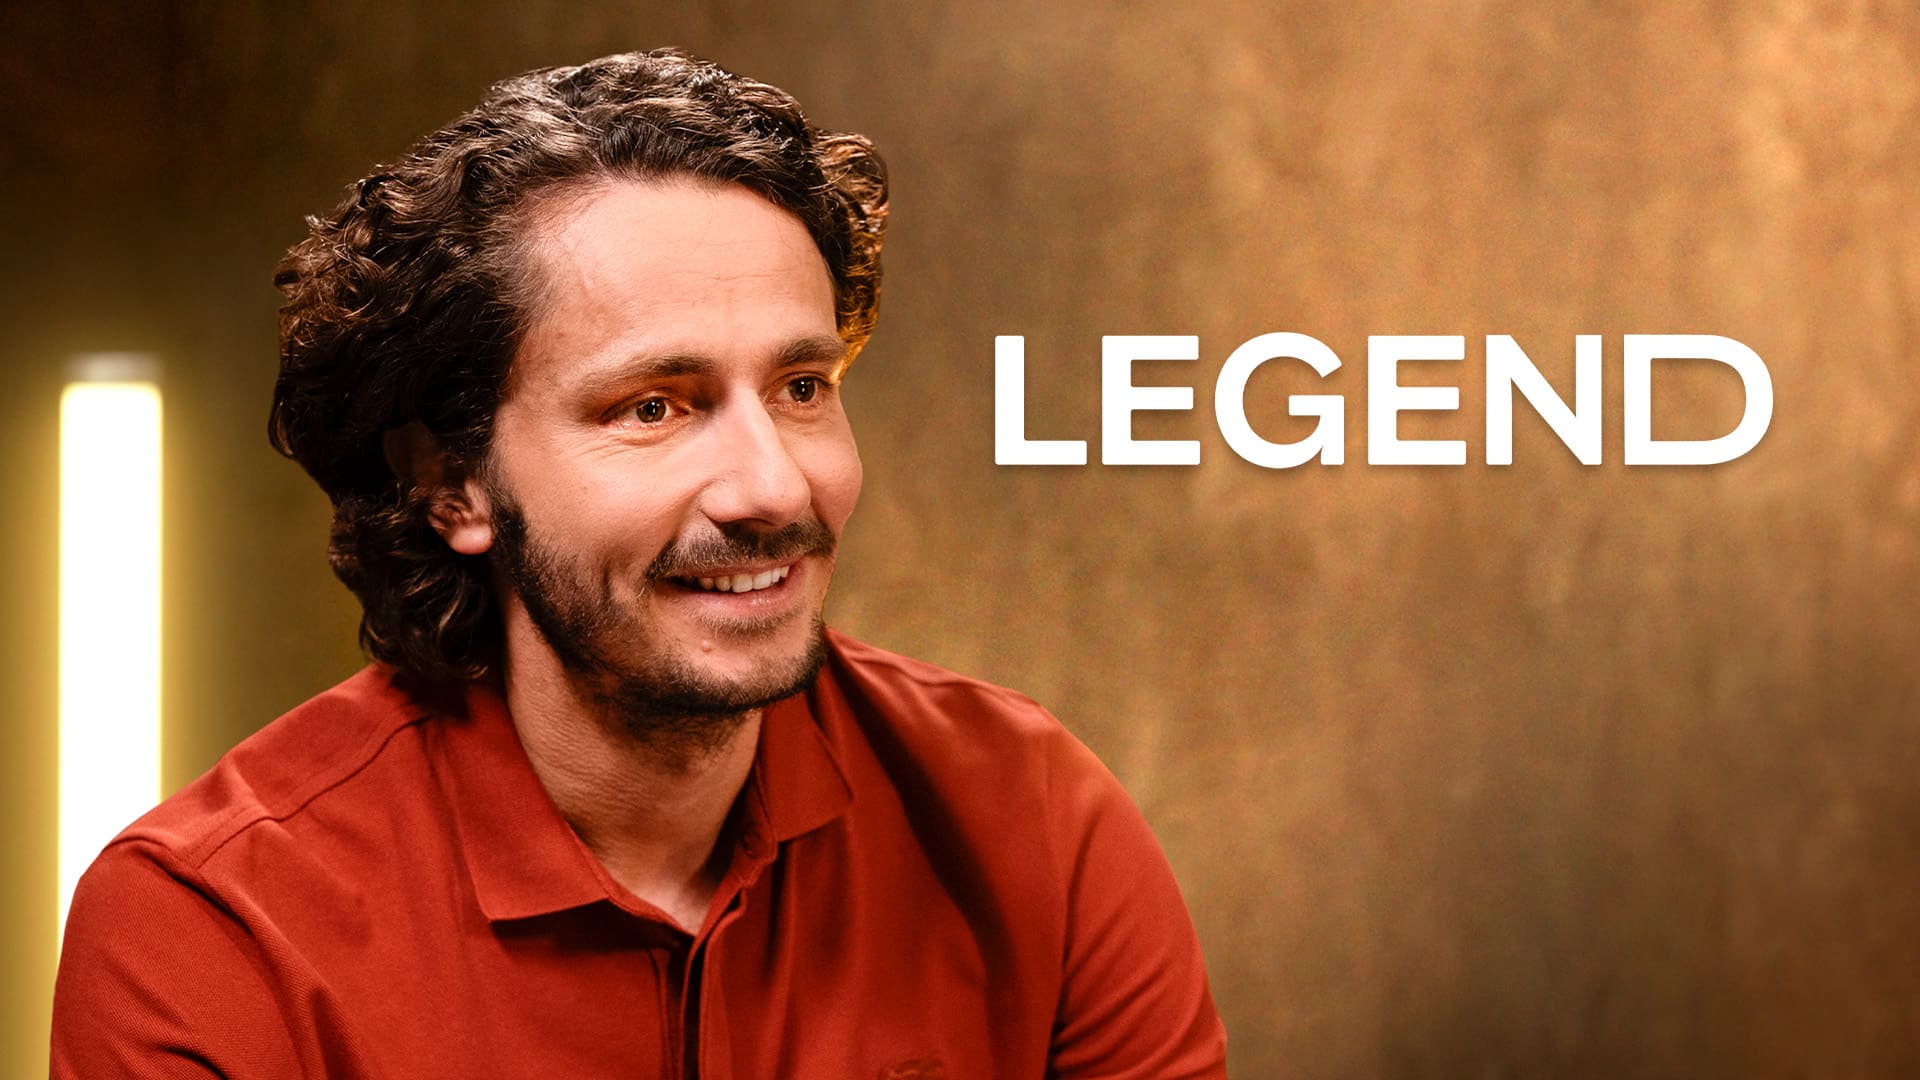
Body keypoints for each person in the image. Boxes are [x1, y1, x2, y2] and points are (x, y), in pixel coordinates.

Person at [51, 48, 1226, 1078]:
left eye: (801, 388)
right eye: (655, 407)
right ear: (449, 480)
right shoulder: (211, 931)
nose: (772, 487)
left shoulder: (1030, 819)